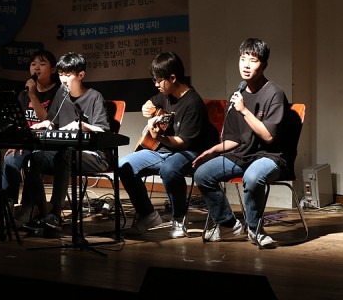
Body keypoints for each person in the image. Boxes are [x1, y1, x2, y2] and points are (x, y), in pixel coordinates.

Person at [192, 37, 294, 247]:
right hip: (243, 154)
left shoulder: (274, 93)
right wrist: (212, 151)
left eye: (253, 60)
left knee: (253, 176)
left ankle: (255, 229)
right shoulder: (238, 94)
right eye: (243, 59)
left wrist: (244, 110)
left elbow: (269, 136)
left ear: (264, 65)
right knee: (203, 174)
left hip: (271, 157)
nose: (246, 65)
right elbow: (234, 139)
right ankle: (229, 225)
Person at [118, 52, 219, 239]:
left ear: (173, 78)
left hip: (191, 152)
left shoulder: (193, 104)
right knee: (124, 165)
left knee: (170, 169)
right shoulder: (166, 94)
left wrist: (159, 137)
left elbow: (182, 143)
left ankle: (179, 218)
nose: (156, 84)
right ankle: (148, 215)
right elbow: (152, 101)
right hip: (163, 151)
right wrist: (147, 107)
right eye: (154, 80)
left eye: (158, 80)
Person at [27, 51, 111, 236]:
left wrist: (82, 126)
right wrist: (46, 124)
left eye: (68, 74)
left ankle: (55, 213)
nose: (63, 79)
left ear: (81, 75)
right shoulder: (61, 93)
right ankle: (42, 211)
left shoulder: (95, 97)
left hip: (94, 155)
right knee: (35, 158)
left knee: (65, 156)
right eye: (61, 74)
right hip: (65, 153)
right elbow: (53, 121)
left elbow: (104, 131)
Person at [1, 50, 60, 224]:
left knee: (33, 162)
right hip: (26, 143)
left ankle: (31, 208)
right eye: (33, 64)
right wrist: (17, 142)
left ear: (53, 70)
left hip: (47, 145)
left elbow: (48, 121)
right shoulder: (23, 94)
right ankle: (8, 206)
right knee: (10, 160)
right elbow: (18, 123)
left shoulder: (58, 93)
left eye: (42, 64)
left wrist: (33, 95)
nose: (36, 68)